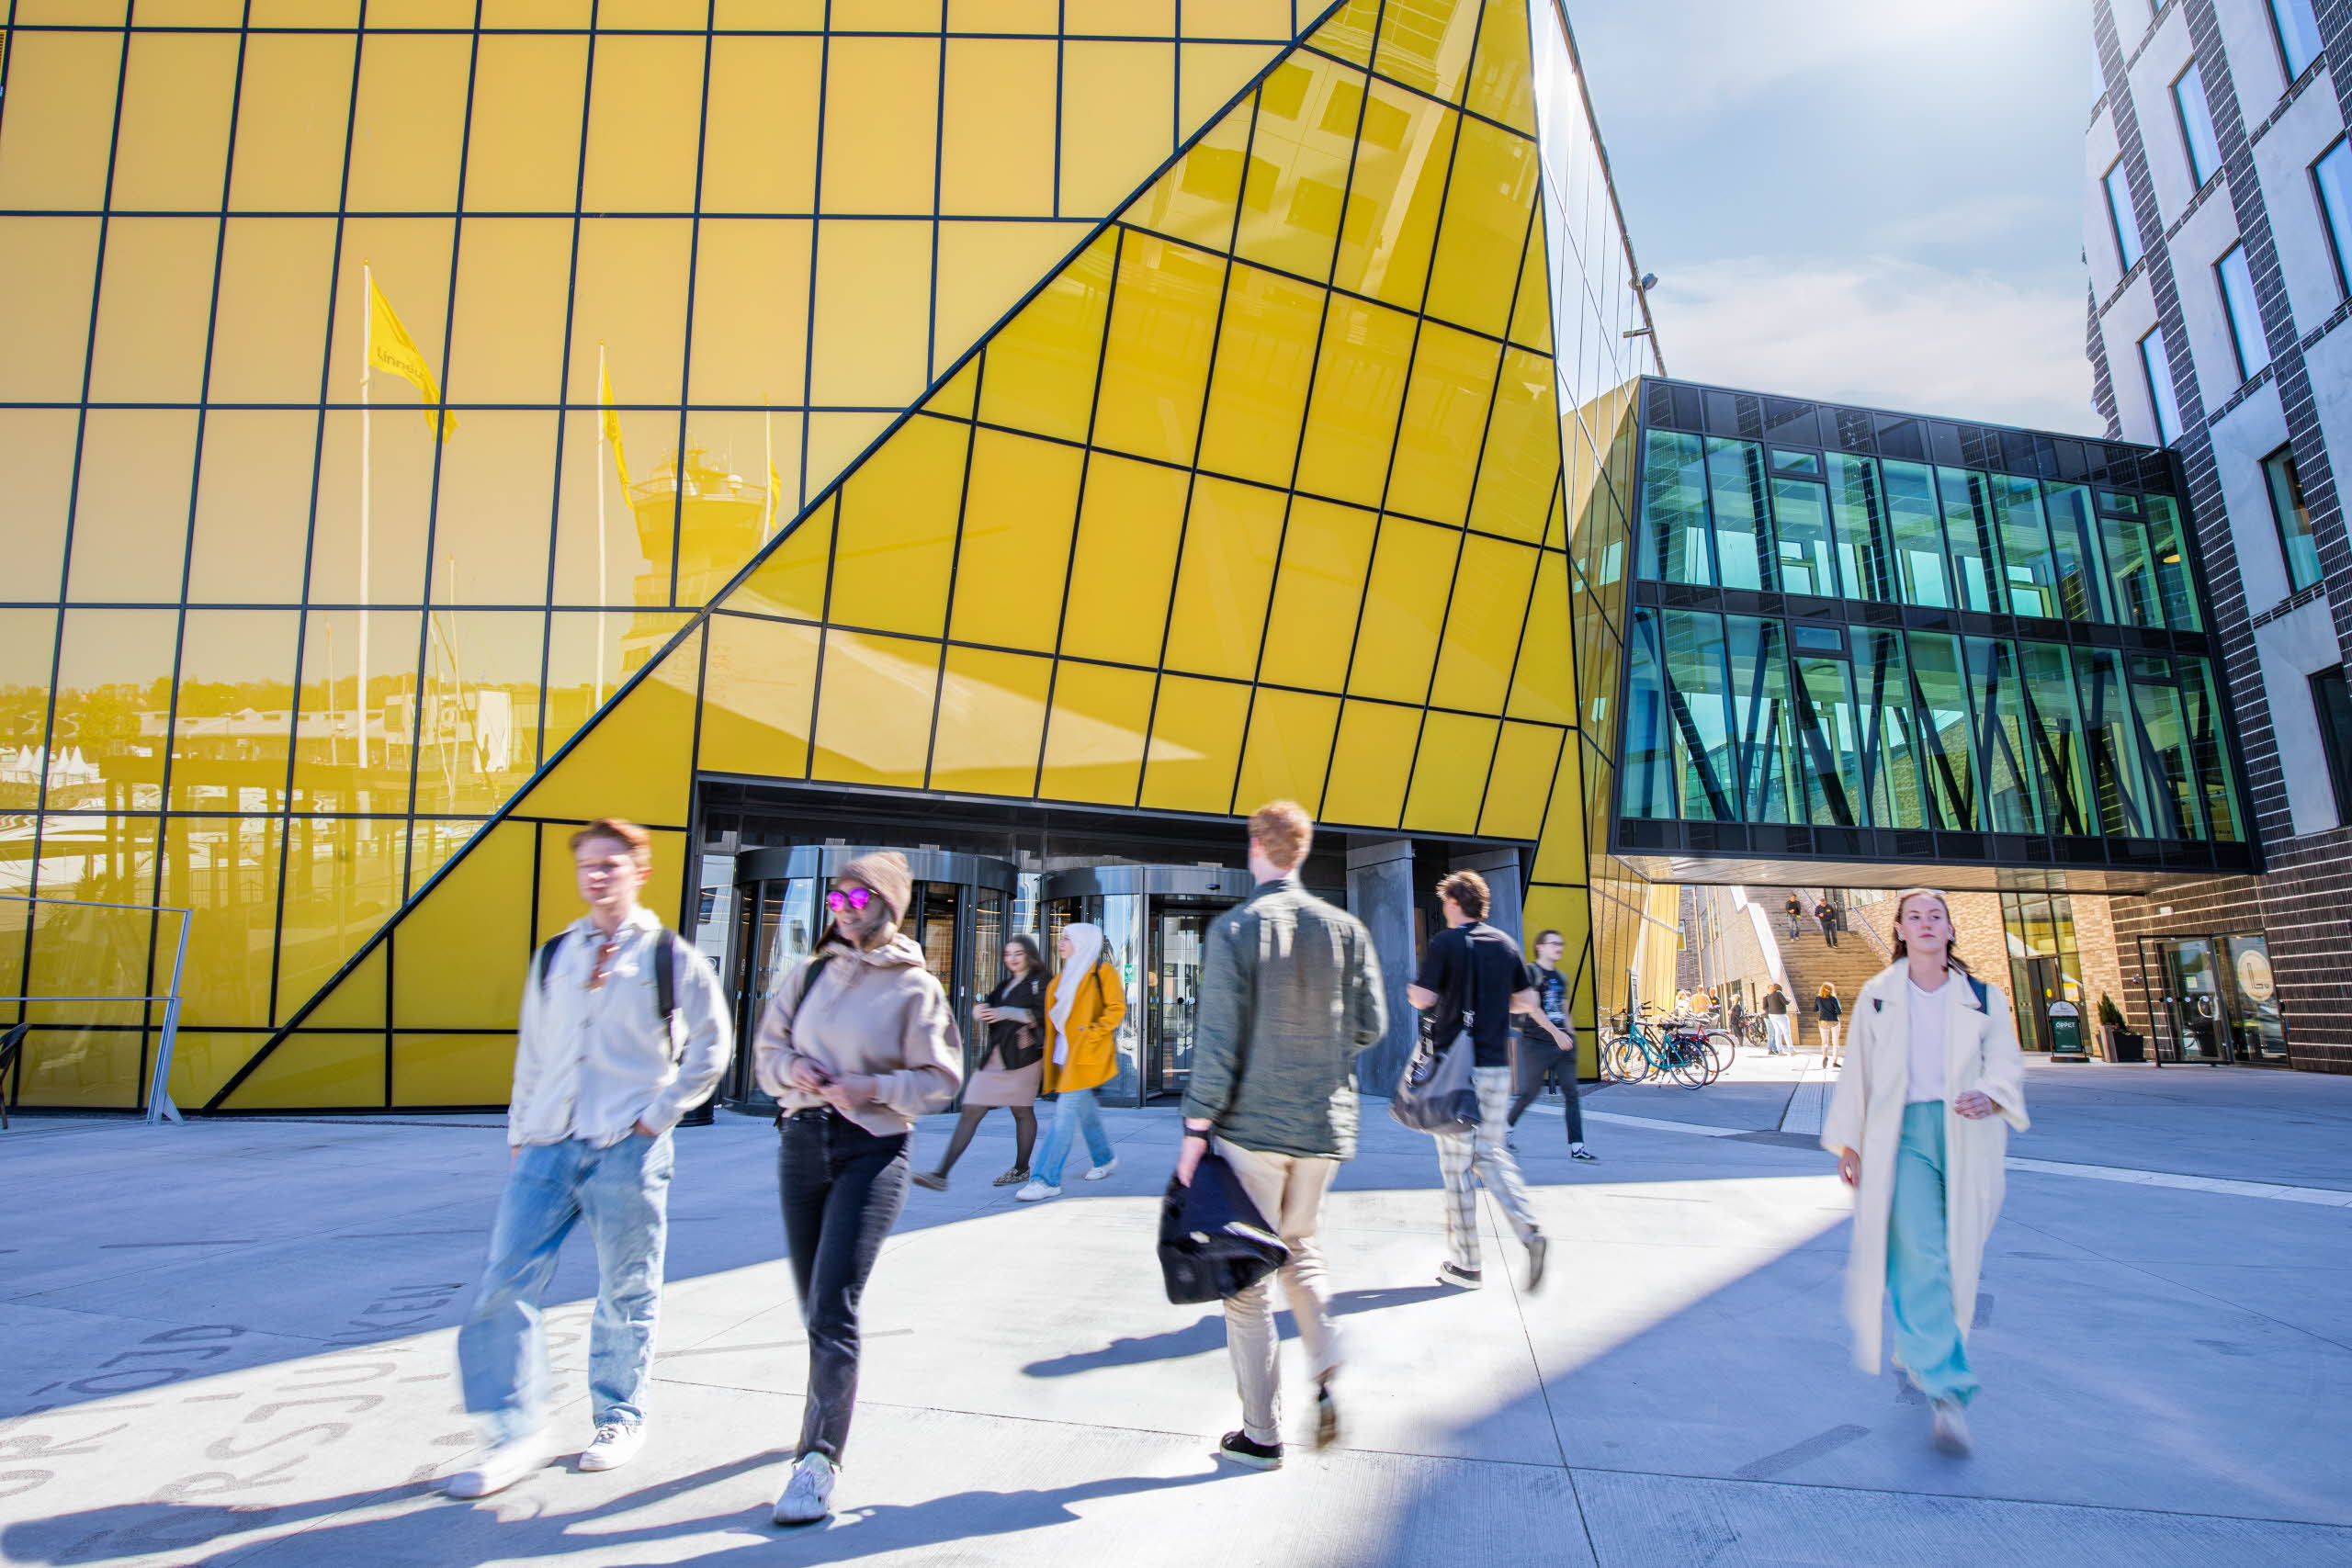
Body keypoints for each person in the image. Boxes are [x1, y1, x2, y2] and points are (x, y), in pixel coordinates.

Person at [447, 818, 733, 1499]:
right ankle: (514, 1431)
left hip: (625, 1148)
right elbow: (535, 1050)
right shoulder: (555, 955)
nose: (597, 875)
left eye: (611, 863)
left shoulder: (669, 956)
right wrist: (520, 1128)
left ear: (641, 872)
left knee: (626, 1290)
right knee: (503, 1282)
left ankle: (619, 1418)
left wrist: (657, 1116)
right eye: (588, 865)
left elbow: (712, 1046)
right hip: (547, 1145)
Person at [1174, 801, 1385, 1471]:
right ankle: (1326, 1356)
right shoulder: (1346, 928)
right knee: (1300, 1247)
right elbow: (1372, 1024)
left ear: (1257, 848)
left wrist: (1195, 1127)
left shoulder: (1237, 928)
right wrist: (1322, 1052)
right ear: (1303, 850)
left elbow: (1217, 1041)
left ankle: (1261, 1433)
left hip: (1252, 1128)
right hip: (1322, 1126)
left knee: (1246, 1286)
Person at [755, 851, 963, 1525]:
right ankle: (826, 1408)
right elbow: (766, 1052)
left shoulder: (914, 987)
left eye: (857, 899)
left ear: (888, 906)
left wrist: (869, 1087)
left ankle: (818, 1461)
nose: (842, 910)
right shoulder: (810, 972)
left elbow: (941, 1079)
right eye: (836, 898)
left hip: (872, 1150)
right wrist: (794, 1070)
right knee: (812, 1303)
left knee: (833, 1303)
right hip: (801, 1141)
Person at [1822, 887, 2028, 1458]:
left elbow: (2005, 1060)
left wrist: (1992, 1094)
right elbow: (1858, 1072)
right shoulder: (1878, 997)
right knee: (1922, 1254)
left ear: (1950, 929)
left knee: (1959, 1253)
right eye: (1914, 916)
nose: (1927, 923)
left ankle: (1917, 1347)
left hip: (1968, 1134)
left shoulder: (1984, 997)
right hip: (1902, 1137)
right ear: (1900, 930)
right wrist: (1850, 1143)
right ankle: (1947, 1391)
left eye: (1936, 915)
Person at [1405, 870, 1548, 1292]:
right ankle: (1527, 1228)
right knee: (1488, 1152)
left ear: (1453, 902)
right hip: (1496, 1067)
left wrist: (1413, 992)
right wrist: (1494, 1003)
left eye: (1445, 902)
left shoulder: (1446, 942)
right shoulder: (1504, 944)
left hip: (1454, 1072)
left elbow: (1424, 998)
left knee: (1456, 1168)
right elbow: (1527, 1000)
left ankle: (1467, 1264)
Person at [914, 935, 1045, 1191]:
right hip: (997, 1056)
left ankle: (1021, 1168)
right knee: (972, 1108)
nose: (1012, 958)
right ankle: (941, 1174)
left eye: (1018, 953)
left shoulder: (1039, 981)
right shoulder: (1006, 984)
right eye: (1008, 954)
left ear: (1029, 955)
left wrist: (1006, 1013)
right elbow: (989, 1006)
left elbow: (1042, 1015)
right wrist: (979, 1011)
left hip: (1023, 1057)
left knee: (1022, 1111)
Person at [1014, 922, 1127, 1201]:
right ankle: (1104, 1158)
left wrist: (1091, 1033)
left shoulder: (1102, 972)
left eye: (1067, 939)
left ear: (1084, 942)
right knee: (1086, 1114)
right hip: (1064, 1057)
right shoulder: (1061, 979)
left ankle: (1045, 1179)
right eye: (1061, 938)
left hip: (1086, 1056)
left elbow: (1116, 1008)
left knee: (1063, 1118)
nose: (1060, 943)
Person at [1506, 928, 1595, 1163]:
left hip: (1562, 1043)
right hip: (1537, 1043)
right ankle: (1506, 1127)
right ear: (1540, 947)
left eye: (1560, 944)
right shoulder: (1532, 973)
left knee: (1571, 1093)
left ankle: (1577, 1146)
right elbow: (1533, 1009)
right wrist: (1557, 1034)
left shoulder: (1560, 977)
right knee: (1531, 1092)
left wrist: (1570, 1036)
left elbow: (1564, 1010)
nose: (1559, 947)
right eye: (1553, 943)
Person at [1761, 981, 1792, 1055]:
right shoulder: (1768, 996)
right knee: (1772, 1033)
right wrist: (1772, 1010)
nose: (1772, 990)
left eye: (1773, 988)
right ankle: (1771, 1049)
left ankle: (1777, 1050)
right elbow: (1764, 1007)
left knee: (1777, 1033)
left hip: (1772, 1016)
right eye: (1771, 988)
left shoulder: (1774, 995)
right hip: (1770, 1016)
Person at [1816, 982, 1845, 1066]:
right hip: (1834, 1021)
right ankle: (1834, 1062)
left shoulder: (1818, 998)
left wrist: (1823, 1009)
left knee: (1824, 1042)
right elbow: (1839, 1011)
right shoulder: (1833, 998)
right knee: (1835, 1042)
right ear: (1831, 989)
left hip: (1823, 1021)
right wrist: (1833, 1011)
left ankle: (1825, 1056)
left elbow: (1815, 1009)